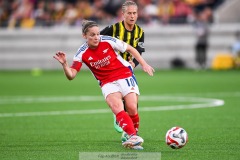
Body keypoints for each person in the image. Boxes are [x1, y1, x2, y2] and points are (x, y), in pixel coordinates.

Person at [53, 20, 155, 150]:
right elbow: (71, 75)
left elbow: (130, 48)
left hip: (124, 74)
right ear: (84, 36)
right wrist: (64, 65)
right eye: (92, 35)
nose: (96, 37)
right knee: (116, 106)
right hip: (107, 82)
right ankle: (133, 136)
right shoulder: (81, 53)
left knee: (132, 107)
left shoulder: (108, 40)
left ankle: (133, 135)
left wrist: (144, 64)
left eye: (97, 34)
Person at [100, 1, 144, 134]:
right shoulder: (113, 29)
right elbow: (97, 39)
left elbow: (139, 51)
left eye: (134, 13)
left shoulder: (140, 32)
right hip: (112, 70)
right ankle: (121, 119)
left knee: (133, 104)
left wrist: (134, 64)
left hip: (128, 71)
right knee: (122, 101)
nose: (132, 16)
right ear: (123, 14)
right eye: (129, 13)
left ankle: (129, 131)